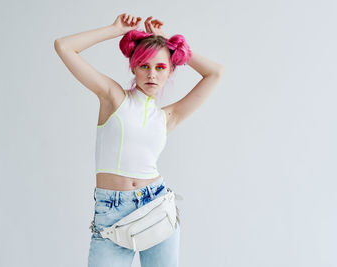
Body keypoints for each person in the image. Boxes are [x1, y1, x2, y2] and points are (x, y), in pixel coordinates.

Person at [54, 13, 225, 267]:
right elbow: (64, 46)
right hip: (111, 213)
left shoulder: (168, 116)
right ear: (133, 67)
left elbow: (215, 73)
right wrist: (114, 29)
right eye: (144, 65)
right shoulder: (113, 97)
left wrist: (171, 43)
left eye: (160, 67)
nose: (152, 75)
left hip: (156, 208)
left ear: (170, 70)